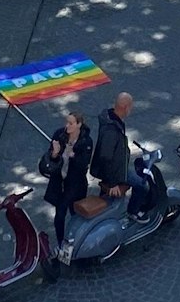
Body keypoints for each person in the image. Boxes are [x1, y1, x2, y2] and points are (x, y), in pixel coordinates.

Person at [41, 110, 94, 246]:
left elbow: (84, 164)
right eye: (67, 122)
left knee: (76, 212)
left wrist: (73, 156)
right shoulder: (60, 135)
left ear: (79, 124)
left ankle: (76, 238)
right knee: (60, 213)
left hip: (76, 183)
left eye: (71, 123)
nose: (67, 126)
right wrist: (54, 154)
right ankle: (61, 242)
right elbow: (51, 159)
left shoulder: (86, 141)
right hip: (60, 181)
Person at [92, 92, 149, 219]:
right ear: (126, 108)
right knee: (141, 185)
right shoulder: (112, 130)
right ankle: (133, 211)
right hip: (115, 170)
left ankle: (103, 203)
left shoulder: (111, 120)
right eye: (131, 106)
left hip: (114, 166)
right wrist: (112, 183)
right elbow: (106, 157)